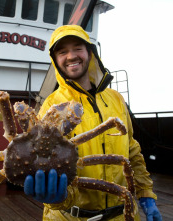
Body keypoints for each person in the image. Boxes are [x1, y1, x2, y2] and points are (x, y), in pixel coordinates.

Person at [24, 25, 162, 221]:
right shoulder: (52, 105)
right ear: (55, 60)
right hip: (70, 217)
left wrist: (146, 195)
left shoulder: (115, 98)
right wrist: (58, 198)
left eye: (78, 48)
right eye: (62, 52)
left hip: (123, 215)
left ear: (90, 53)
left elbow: (131, 150)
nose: (71, 56)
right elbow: (45, 162)